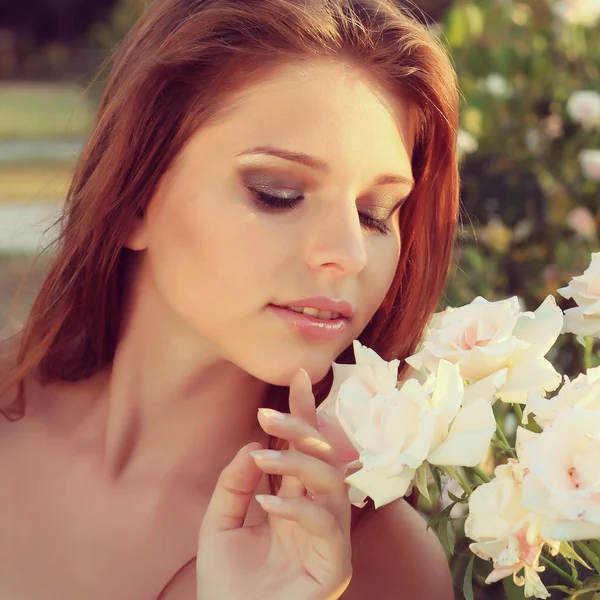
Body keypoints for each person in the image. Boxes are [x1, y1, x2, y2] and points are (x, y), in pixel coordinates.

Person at [0, 0, 460, 598]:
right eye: (277, 193)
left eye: (376, 215)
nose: (349, 252)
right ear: (134, 198)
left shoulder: (375, 565)